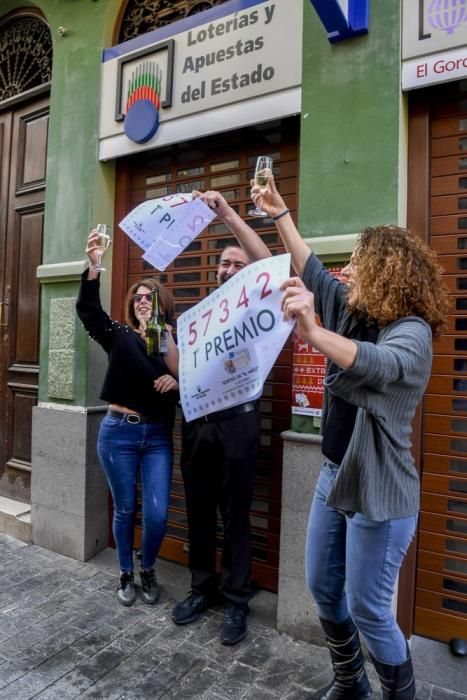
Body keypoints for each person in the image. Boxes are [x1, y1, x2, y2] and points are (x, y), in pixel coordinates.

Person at [211, 179, 448, 698]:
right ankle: (350, 684)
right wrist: (278, 214)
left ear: (387, 274)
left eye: (362, 265)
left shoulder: (411, 331)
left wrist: (314, 334)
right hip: (333, 475)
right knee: (322, 588)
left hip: (379, 489)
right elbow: (310, 267)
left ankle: (398, 692)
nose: (350, 272)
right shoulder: (353, 311)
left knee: (368, 606)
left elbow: (386, 366)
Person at [171, 200, 271, 646]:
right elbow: (184, 370)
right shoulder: (199, 318)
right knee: (198, 512)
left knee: (235, 515)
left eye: (237, 264)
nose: (229, 269)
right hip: (197, 425)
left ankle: (235, 601)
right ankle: (202, 589)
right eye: (224, 263)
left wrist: (231, 216)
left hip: (238, 424)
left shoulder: (256, 306)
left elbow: (269, 265)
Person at [76, 229, 179, 607]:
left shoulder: (173, 340)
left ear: (163, 304)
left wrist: (176, 375)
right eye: (136, 298)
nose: (141, 301)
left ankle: (147, 566)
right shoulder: (118, 336)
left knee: (157, 513)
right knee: (125, 508)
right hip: (117, 432)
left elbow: (191, 386)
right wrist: (94, 265)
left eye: (149, 298)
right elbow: (89, 313)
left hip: (155, 437)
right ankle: (124, 572)